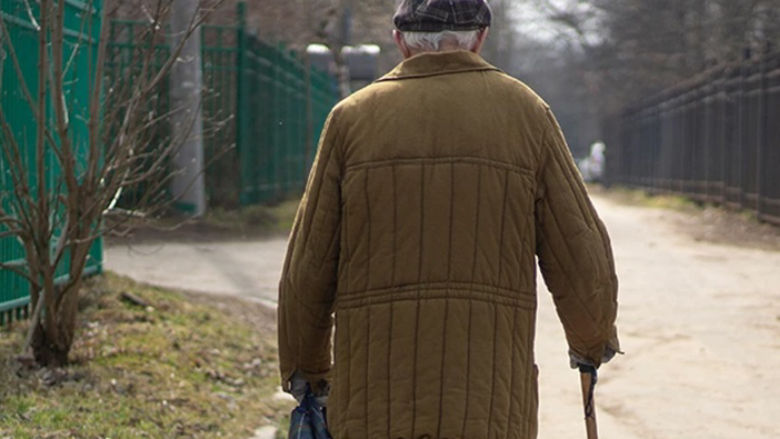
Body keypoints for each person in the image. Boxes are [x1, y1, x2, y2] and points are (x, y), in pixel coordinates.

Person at [278, 1, 620, 438]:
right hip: (490, 403)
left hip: (374, 405)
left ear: (400, 41)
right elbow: (580, 252)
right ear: (480, 38)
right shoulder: (527, 114)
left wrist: (307, 369)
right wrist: (591, 342)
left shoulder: (352, 119)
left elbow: (308, 265)